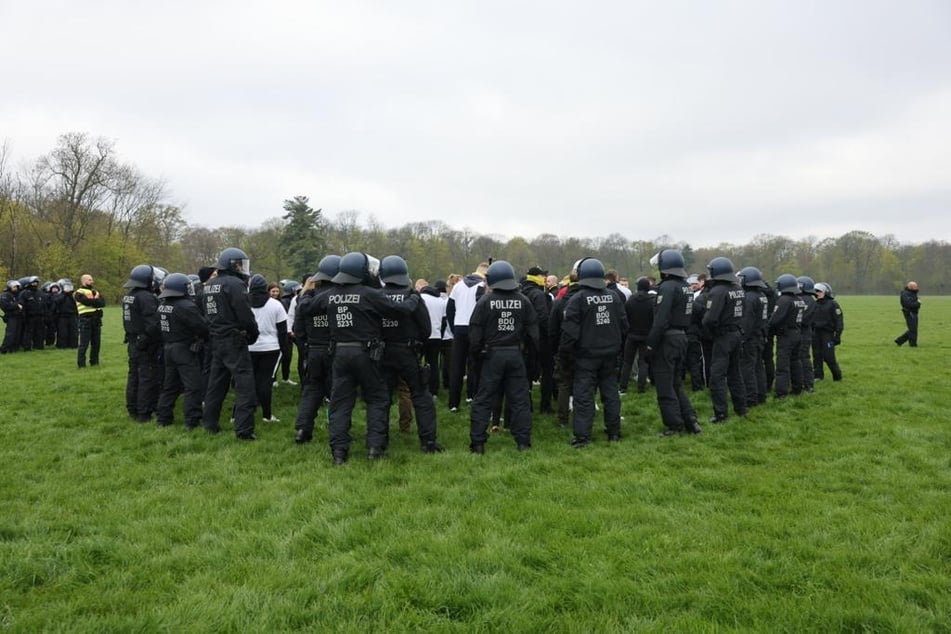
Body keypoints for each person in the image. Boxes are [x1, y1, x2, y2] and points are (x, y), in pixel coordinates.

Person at [317, 251, 421, 464]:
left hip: (339, 353)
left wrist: (308, 293)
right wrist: (415, 297)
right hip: (366, 354)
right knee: (377, 398)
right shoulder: (369, 294)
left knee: (340, 403)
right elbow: (400, 310)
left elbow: (306, 308)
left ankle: (339, 452)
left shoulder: (331, 295)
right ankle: (375, 447)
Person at [468, 260, 539, 454]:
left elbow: (474, 335)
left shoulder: (484, 301)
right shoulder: (524, 301)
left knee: (483, 400)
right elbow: (534, 334)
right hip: (516, 355)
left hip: (492, 356)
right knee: (520, 400)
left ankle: (478, 443)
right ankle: (523, 442)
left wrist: (476, 359)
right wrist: (531, 360)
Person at [560, 258, 627, 447]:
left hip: (586, 356)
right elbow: (624, 326)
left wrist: (565, 356)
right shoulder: (614, 297)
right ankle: (614, 432)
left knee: (583, 397)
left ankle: (583, 437)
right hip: (610, 355)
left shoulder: (578, 299)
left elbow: (569, 333)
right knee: (611, 394)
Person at [379, 256, 443, 453]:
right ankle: (428, 442)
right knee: (421, 396)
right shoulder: (412, 296)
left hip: (383, 352)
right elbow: (425, 328)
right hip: (408, 351)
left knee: (381, 399)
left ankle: (379, 442)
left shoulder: (376, 295)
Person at [202, 248, 260, 440]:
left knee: (216, 384)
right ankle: (244, 430)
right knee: (245, 386)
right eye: (239, 264)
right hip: (234, 340)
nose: (242, 268)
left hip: (216, 339)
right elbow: (244, 313)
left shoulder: (210, 285)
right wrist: (253, 333)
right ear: (231, 264)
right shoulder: (235, 284)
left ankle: (210, 424)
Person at [645, 249, 702, 436]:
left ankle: (674, 425)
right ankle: (691, 420)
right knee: (676, 382)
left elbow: (660, 320)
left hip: (667, 339)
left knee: (664, 385)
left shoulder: (668, 287)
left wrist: (650, 344)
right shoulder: (685, 286)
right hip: (682, 337)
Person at [293, 256, 339, 444]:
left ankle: (303, 429)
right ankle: (337, 429)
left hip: (313, 350)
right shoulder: (338, 296)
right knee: (338, 392)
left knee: (312, 391)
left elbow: (298, 328)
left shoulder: (306, 298)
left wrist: (306, 348)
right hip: (334, 349)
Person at [155, 273, 208, 429]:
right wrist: (201, 339)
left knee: (170, 385)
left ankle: (163, 418)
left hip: (168, 348)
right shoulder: (186, 306)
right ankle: (192, 420)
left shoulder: (163, 305)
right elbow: (201, 326)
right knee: (193, 386)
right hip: (184, 348)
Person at [702, 257, 747, 423]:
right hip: (737, 333)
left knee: (717, 376)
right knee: (735, 373)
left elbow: (710, 318)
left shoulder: (717, 291)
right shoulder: (738, 289)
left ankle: (721, 414)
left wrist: (709, 333)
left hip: (723, 336)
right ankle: (741, 408)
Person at [122, 265, 162, 422]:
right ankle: (144, 412)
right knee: (146, 376)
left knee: (133, 376)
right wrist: (148, 339)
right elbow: (152, 323)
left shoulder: (129, 295)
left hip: (133, 340)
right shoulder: (146, 297)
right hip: (144, 342)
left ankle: (132, 408)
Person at [446, 262, 488, 412]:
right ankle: (473, 396)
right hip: (475, 329)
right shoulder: (482, 287)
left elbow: (449, 310)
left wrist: (453, 327)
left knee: (456, 367)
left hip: (459, 328)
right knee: (475, 364)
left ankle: (453, 403)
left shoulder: (458, 285)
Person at [248, 274, 288, 423]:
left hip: (249, 347)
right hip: (271, 348)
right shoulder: (276, 305)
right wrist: (284, 349)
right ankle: (266, 415)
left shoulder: (245, 302)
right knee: (265, 383)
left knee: (247, 381)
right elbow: (282, 330)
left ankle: (236, 415)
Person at [520, 266, 553, 413]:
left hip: (523, 339)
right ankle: (545, 406)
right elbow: (543, 318)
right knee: (547, 372)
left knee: (526, 373)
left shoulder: (521, 291)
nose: (545, 278)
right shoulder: (538, 294)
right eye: (543, 275)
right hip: (540, 340)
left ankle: (527, 404)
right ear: (537, 277)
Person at [768, 274, 806, 399]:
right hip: (797, 333)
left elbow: (775, 319)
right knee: (796, 362)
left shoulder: (784, 300)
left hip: (786, 336)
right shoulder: (799, 299)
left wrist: (769, 328)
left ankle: (781, 392)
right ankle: (797, 388)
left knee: (782, 365)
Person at [737, 266, 769, 407]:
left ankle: (750, 398)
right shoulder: (762, 295)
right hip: (760, 336)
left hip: (750, 338)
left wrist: (742, 338)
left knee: (747, 368)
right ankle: (761, 395)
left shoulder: (749, 297)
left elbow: (747, 321)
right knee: (758, 367)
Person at [619, 277, 654, 394]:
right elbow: (653, 319)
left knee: (627, 362)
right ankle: (641, 388)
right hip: (645, 336)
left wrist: (627, 330)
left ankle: (623, 387)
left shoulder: (630, 301)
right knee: (643, 363)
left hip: (631, 335)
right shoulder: (651, 302)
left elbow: (624, 317)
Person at [418, 278, 448, 397]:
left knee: (417, 362)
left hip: (421, 335)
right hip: (436, 335)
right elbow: (444, 321)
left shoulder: (421, 299)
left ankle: (418, 386)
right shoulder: (440, 300)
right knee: (433, 364)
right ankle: (433, 390)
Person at [812, 282, 843, 381]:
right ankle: (818, 376)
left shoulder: (833, 304)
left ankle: (837, 376)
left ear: (826, 292)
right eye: (816, 291)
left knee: (829, 356)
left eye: (819, 291)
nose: (817, 293)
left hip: (827, 334)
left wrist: (837, 335)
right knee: (816, 355)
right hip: (815, 333)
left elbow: (839, 321)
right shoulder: (814, 304)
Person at [74, 274, 105, 367]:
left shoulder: (96, 291)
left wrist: (94, 302)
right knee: (84, 344)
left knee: (96, 343)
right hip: (85, 321)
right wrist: (96, 302)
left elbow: (103, 303)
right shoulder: (78, 292)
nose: (92, 281)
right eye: (90, 280)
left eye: (92, 279)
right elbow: (86, 302)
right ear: (84, 281)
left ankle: (94, 362)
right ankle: (81, 364)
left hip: (96, 321)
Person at [796, 276, 817, 393]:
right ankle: (801, 381)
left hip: (804, 332)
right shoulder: (803, 298)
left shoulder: (808, 300)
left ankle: (809, 384)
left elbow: (802, 319)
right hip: (801, 332)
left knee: (804, 357)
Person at [894, 281, 920, 347]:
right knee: (913, 330)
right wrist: (918, 303)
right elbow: (908, 304)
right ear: (910, 287)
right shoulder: (905, 294)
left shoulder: (913, 293)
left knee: (913, 329)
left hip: (914, 313)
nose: (917, 288)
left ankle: (899, 341)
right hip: (909, 313)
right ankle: (913, 344)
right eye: (915, 286)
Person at [55, 279, 79, 348]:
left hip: (73, 315)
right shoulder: (59, 295)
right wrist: (65, 294)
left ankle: (73, 345)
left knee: (74, 331)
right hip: (62, 316)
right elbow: (57, 301)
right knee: (63, 332)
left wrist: (70, 295)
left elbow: (76, 303)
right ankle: (62, 345)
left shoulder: (73, 295)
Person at [1, 280, 22, 353]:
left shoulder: (17, 295)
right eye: (14, 287)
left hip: (18, 316)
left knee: (17, 333)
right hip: (11, 317)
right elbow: (5, 305)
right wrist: (16, 305)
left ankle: (14, 349)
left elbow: (21, 304)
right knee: (10, 334)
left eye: (17, 287)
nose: (16, 288)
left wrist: (17, 306)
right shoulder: (5, 295)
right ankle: (4, 349)